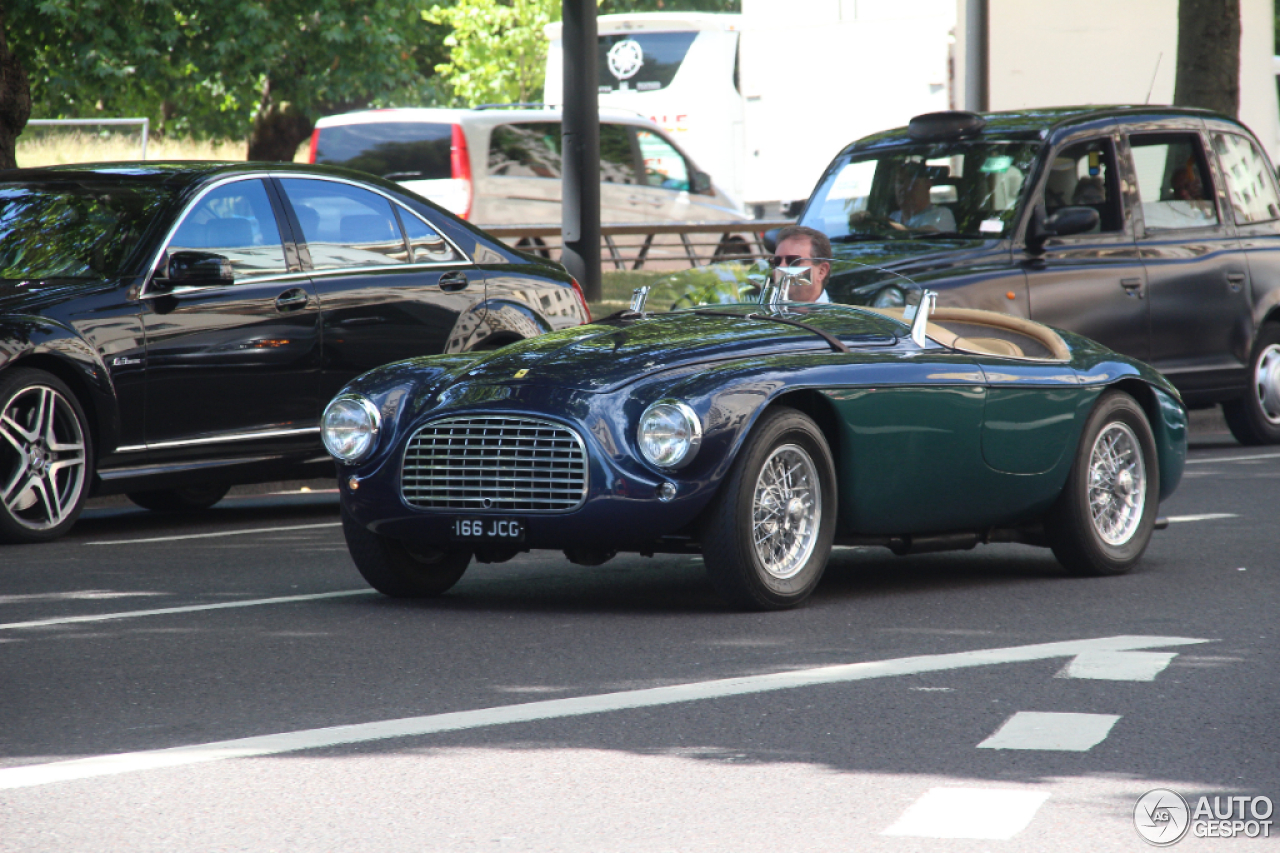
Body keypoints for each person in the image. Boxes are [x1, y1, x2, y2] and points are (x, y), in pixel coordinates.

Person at [889, 161, 957, 233]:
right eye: (901, 182)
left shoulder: (941, 214)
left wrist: (889, 226)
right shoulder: (894, 216)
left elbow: (926, 235)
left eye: (912, 183)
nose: (904, 188)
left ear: (928, 184)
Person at [770, 224, 832, 303]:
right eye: (777, 262)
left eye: (793, 261)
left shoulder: (844, 313)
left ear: (821, 271)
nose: (781, 267)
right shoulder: (760, 312)